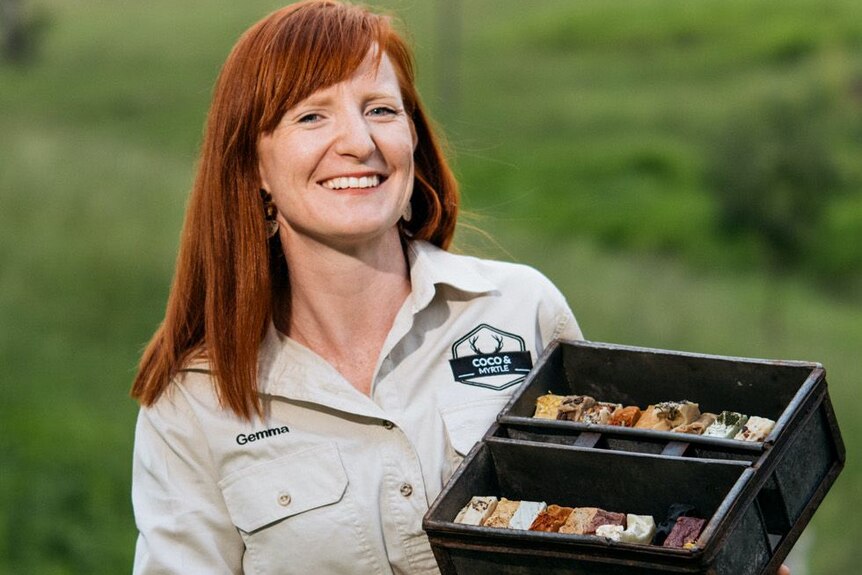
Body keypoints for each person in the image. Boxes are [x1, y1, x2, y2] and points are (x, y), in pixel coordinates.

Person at [129, 2, 791, 574]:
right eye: (311, 117)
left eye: (380, 109)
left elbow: (605, 525)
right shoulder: (193, 399)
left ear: (413, 136)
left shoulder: (520, 309)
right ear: (254, 167)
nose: (357, 142)